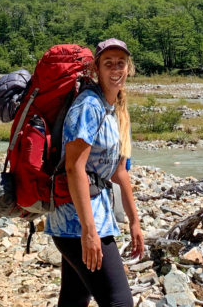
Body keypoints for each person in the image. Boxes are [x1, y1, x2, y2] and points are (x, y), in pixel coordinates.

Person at [44, 38, 144, 307]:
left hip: (94, 217)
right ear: (95, 69)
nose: (115, 69)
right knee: (119, 302)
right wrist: (90, 232)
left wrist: (134, 221)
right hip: (77, 223)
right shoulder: (89, 105)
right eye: (108, 63)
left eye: (120, 63)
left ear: (129, 68)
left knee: (75, 299)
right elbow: (73, 166)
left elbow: (119, 172)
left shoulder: (115, 107)